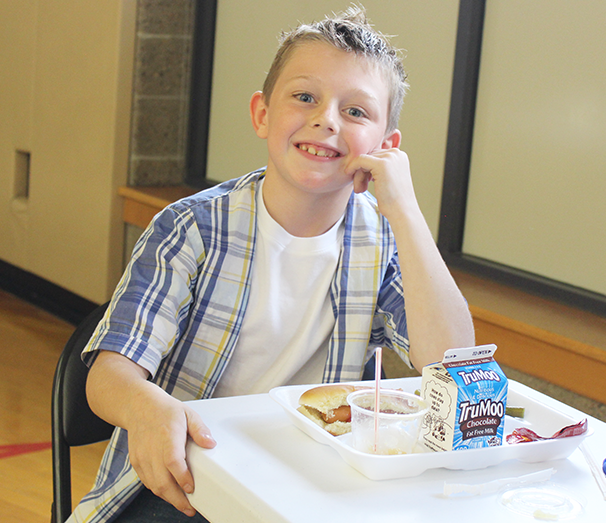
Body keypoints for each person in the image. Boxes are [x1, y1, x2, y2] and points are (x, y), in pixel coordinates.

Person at [70, 6, 475, 523]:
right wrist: (148, 408)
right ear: (262, 114)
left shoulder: (383, 240)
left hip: (310, 484)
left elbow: (455, 363)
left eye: (356, 112)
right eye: (305, 97)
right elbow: (108, 377)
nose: (326, 119)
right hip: (185, 480)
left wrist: (407, 214)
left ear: (385, 147)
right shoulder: (192, 227)